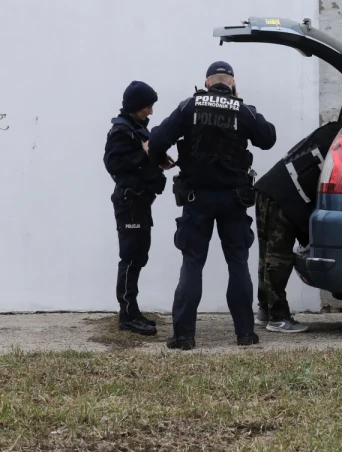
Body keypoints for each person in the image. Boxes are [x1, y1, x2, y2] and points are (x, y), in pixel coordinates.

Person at [149, 61, 276, 350]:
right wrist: (243, 110)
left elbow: (157, 138)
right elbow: (268, 138)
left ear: (206, 83)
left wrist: (159, 159)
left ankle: (184, 337)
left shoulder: (189, 107)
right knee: (237, 263)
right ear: (232, 83)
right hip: (233, 199)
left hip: (197, 199)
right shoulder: (242, 109)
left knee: (192, 263)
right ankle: (245, 334)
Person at [252, 93, 342, 333]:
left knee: (268, 256)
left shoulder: (333, 131)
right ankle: (278, 317)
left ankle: (266, 309)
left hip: (270, 191)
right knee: (278, 259)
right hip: (282, 197)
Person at [104, 81, 170, 336]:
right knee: (131, 257)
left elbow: (142, 159)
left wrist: (159, 161)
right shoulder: (121, 130)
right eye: (147, 107)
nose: (151, 112)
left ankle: (132, 311)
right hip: (129, 203)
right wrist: (144, 155)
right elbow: (113, 163)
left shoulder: (136, 128)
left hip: (140, 203)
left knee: (138, 256)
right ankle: (127, 315)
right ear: (135, 106)